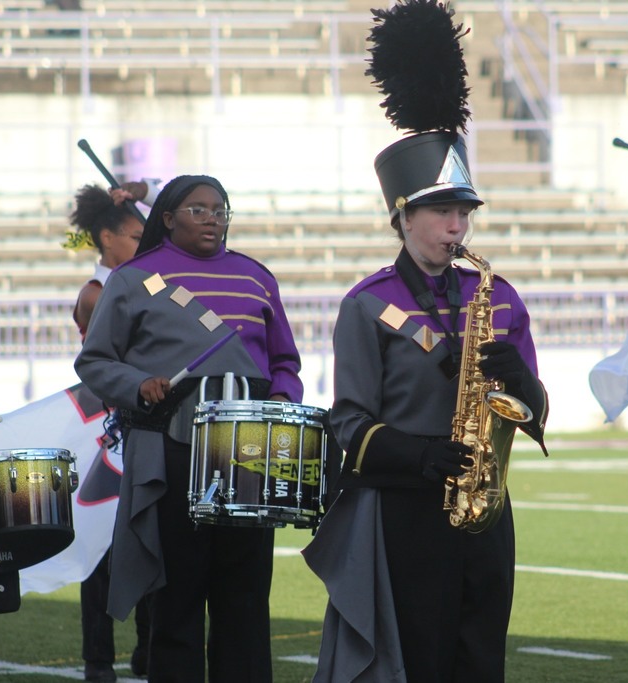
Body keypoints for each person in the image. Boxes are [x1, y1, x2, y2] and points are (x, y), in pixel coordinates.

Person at [303, 2, 548, 681]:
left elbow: (537, 414)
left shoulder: (497, 295)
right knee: (421, 659)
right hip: (407, 512)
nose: (456, 226)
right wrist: (421, 455)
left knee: (481, 659)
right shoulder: (367, 304)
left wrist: (522, 386)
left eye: (463, 211)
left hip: (486, 509)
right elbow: (349, 423)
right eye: (442, 211)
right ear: (402, 216)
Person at [74, 174, 304, 683]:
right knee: (176, 601)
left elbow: (286, 361)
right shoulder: (133, 279)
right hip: (172, 450)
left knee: (244, 601)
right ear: (168, 216)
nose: (212, 219)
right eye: (198, 210)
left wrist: (281, 402)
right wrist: (139, 384)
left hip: (249, 453)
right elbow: (94, 362)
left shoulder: (256, 277)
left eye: (220, 210)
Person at [65, 184, 150, 682]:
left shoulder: (137, 283)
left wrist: (140, 190)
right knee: (102, 550)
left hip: (136, 427)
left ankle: (145, 647)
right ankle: (99, 659)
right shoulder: (97, 294)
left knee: (144, 542)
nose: (144, 245)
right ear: (107, 238)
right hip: (108, 433)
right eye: (136, 237)